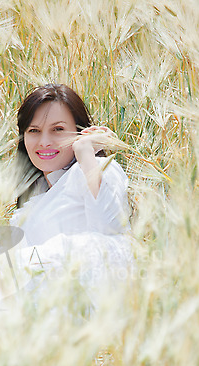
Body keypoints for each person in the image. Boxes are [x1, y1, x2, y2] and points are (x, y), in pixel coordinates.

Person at [8, 83, 134, 311]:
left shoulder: (93, 169)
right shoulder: (36, 198)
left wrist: (86, 152)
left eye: (57, 129)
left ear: (79, 131)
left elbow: (110, 233)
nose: (44, 142)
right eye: (34, 131)